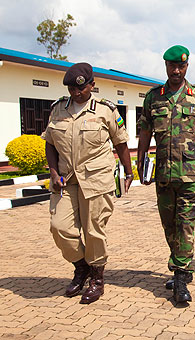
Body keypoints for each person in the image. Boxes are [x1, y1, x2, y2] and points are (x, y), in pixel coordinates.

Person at [137, 45, 195, 303]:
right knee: (170, 226)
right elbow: (145, 130)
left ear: (187, 66)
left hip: (191, 174)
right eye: (172, 66)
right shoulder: (153, 98)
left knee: (185, 225)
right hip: (164, 174)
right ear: (165, 66)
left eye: (181, 66)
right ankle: (183, 266)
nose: (176, 70)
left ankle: (179, 278)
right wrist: (140, 158)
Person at [42, 62, 133, 304]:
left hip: (96, 179)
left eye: (80, 88)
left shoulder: (105, 111)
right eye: (71, 88)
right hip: (66, 180)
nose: (76, 92)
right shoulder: (58, 109)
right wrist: (52, 172)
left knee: (94, 231)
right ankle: (81, 266)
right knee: (59, 227)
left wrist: (128, 171)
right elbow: (50, 143)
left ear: (92, 85)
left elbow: (121, 143)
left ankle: (97, 278)